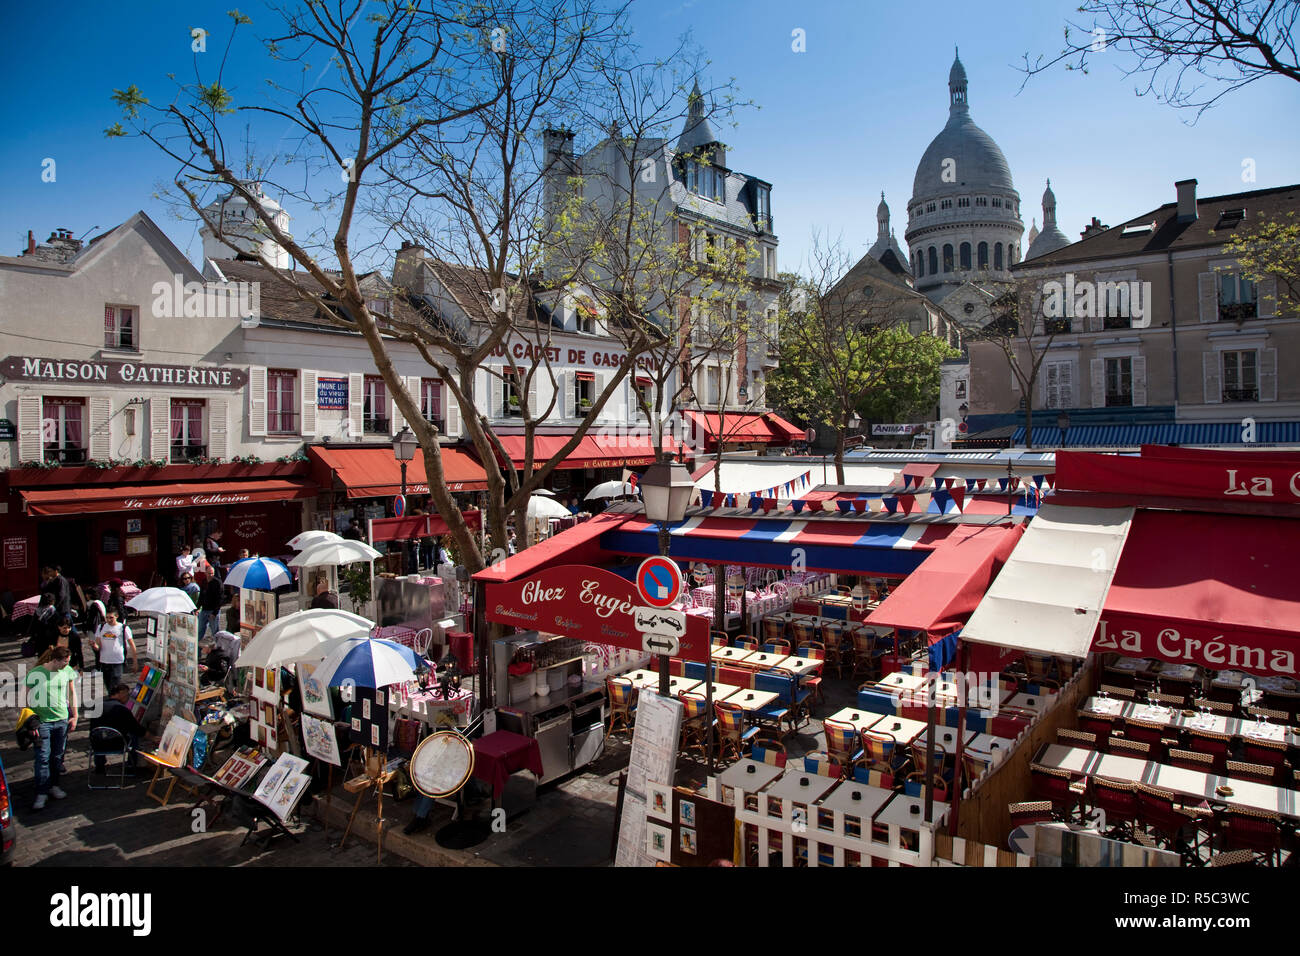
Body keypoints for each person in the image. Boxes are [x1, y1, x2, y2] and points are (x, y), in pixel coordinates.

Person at [25, 646, 77, 810]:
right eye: (64, 662)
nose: (66, 666)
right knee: (42, 758)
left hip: (61, 720)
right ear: (55, 660)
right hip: (43, 722)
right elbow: (25, 698)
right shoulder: (36, 673)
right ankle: (41, 792)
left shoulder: (67, 671)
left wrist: (74, 715)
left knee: (57, 756)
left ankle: (54, 785)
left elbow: (71, 693)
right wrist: (31, 721)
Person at [89, 683, 154, 773]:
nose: (128, 698)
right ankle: (132, 765)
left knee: (99, 733)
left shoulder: (97, 707)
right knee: (134, 735)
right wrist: (152, 737)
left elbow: (92, 728)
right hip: (116, 744)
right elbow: (137, 729)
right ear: (121, 693)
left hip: (97, 745)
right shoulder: (122, 709)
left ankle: (99, 765)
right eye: (127, 694)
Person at [93, 608, 137, 690]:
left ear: (116, 616)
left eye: (111, 617)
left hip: (117, 661)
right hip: (104, 661)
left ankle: (114, 701)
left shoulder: (123, 628)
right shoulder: (101, 627)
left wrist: (135, 662)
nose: (109, 620)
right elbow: (98, 645)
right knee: (108, 686)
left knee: (115, 686)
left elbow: (132, 644)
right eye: (107, 617)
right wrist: (95, 646)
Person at [27, 593, 59, 657]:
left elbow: (33, 625)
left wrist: (33, 636)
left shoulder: (38, 610)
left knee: (41, 656)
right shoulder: (53, 611)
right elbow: (57, 625)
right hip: (51, 638)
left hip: (39, 638)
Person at [198, 570, 224, 640]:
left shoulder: (218, 582)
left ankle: (217, 647)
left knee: (215, 632)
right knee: (200, 630)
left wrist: (215, 612)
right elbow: (201, 596)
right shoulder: (204, 582)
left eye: (212, 573)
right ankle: (198, 648)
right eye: (209, 573)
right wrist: (197, 607)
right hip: (204, 610)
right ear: (205, 573)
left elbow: (220, 598)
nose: (211, 575)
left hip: (213, 611)